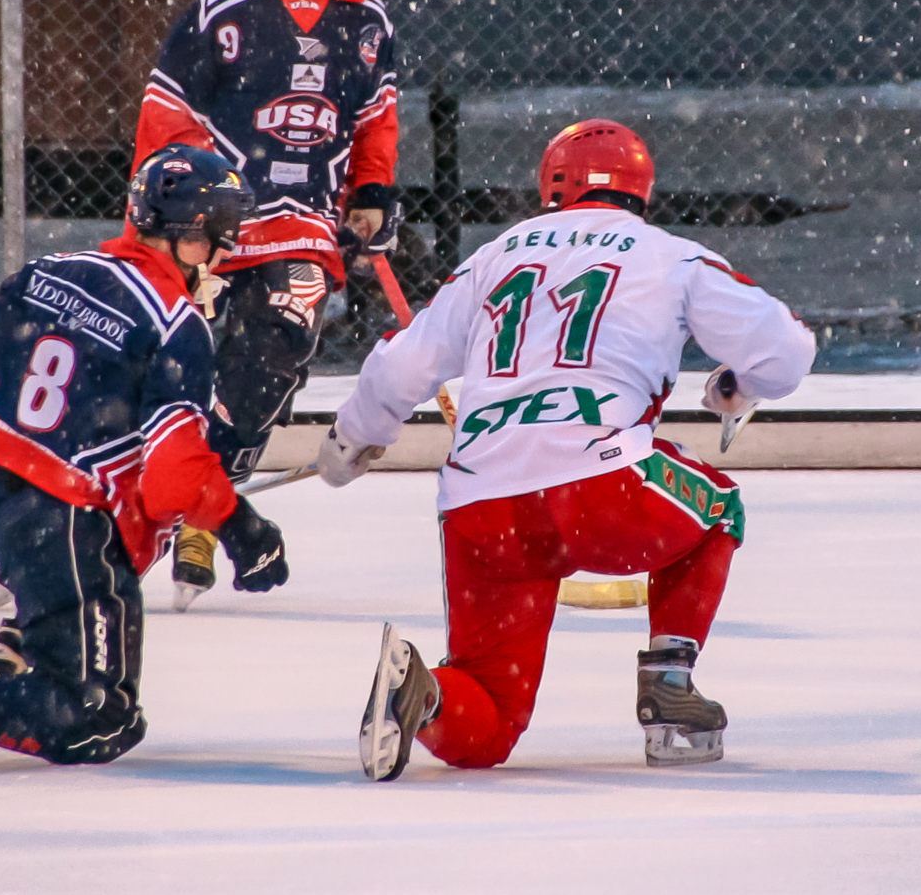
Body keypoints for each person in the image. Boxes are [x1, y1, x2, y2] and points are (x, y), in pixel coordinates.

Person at [321, 119, 816, 778]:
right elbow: (786, 352)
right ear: (640, 189)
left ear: (551, 187)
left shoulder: (493, 254)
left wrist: (354, 435)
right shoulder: (669, 255)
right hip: (601, 487)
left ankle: (425, 694)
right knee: (717, 510)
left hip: (480, 504)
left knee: (490, 724)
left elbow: (396, 368)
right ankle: (669, 691)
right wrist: (739, 384)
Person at [0, 145, 286, 771]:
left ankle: (26, 645)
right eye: (221, 233)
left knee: (82, 578)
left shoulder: (50, 270)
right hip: (60, 518)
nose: (226, 250)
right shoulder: (176, 324)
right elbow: (174, 480)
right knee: (101, 719)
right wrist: (242, 527)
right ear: (188, 230)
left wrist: (43, 422)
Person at [133, 0, 399, 608]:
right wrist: (161, 213)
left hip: (307, 220)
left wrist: (370, 192)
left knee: (282, 337)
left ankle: (205, 509)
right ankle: (103, 499)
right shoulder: (222, 6)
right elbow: (166, 111)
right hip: (211, 223)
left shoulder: (367, 19)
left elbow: (376, 118)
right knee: (174, 363)